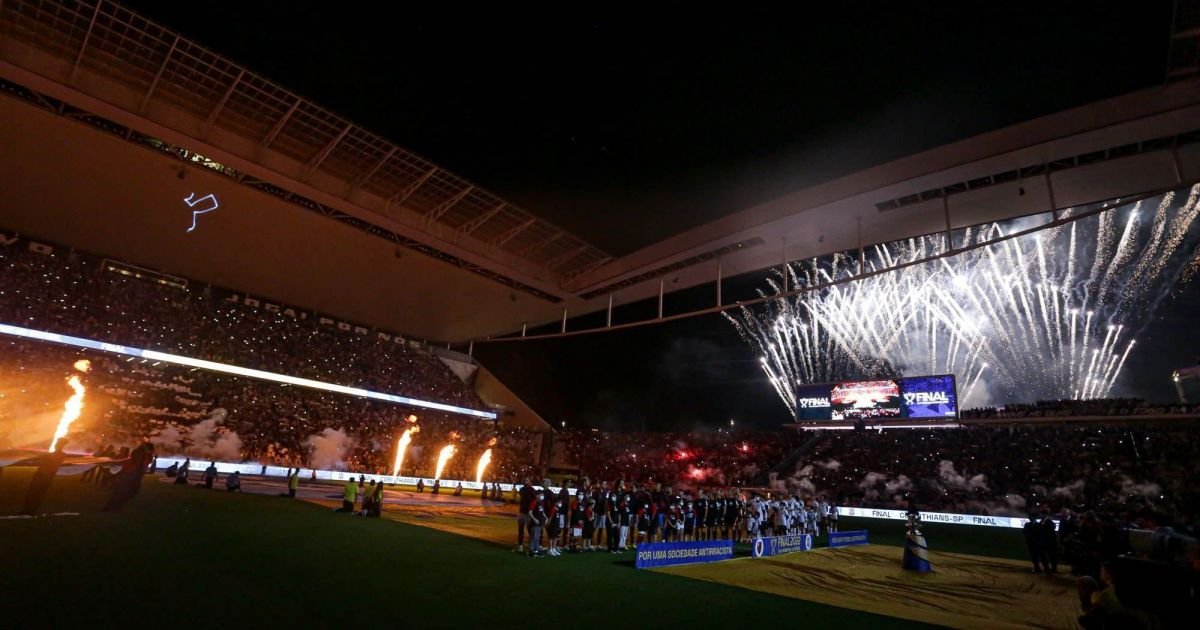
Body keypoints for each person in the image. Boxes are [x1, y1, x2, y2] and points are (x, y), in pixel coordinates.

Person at [21, 439, 70, 516]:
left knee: (36, 492)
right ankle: (30, 509)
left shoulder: (57, 455)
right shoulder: (59, 455)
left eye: (57, 443)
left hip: (44, 475)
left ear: (60, 445)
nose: (56, 444)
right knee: (36, 492)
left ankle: (30, 510)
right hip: (45, 475)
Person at [515, 478, 535, 553]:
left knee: (529, 530)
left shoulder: (531, 490)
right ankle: (520, 545)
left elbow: (533, 500)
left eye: (527, 480)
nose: (525, 482)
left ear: (530, 482)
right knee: (521, 530)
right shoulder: (523, 489)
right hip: (522, 512)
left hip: (528, 512)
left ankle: (530, 545)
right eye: (525, 480)